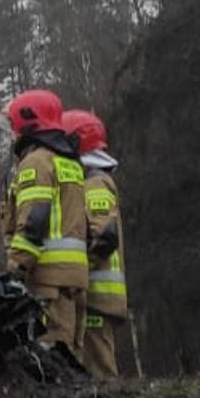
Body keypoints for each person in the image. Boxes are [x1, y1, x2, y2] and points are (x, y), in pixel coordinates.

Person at [0, 90, 90, 366]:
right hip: (73, 280)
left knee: (51, 360)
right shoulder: (70, 162)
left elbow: (34, 222)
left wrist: (15, 269)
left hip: (48, 280)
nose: (12, 135)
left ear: (29, 124)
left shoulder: (36, 163)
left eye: (13, 128)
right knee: (71, 356)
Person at [62, 109, 128, 378]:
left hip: (96, 296)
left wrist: (73, 273)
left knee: (100, 373)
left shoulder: (95, 184)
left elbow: (104, 237)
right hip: (93, 295)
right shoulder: (91, 182)